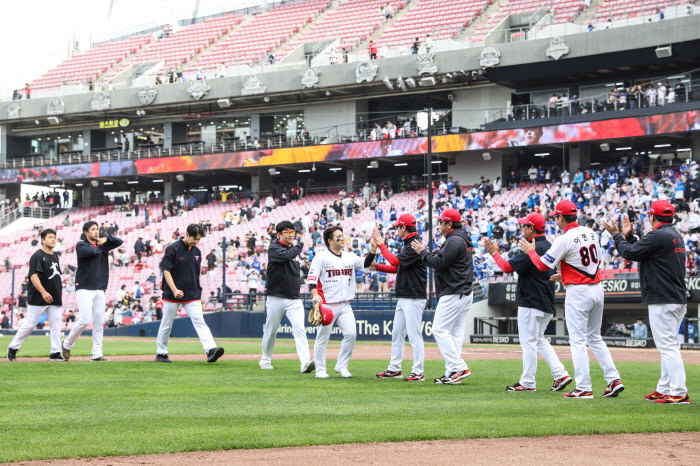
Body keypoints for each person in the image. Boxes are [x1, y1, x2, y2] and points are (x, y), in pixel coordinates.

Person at [518, 200, 623, 398]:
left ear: (560, 217)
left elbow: (542, 266)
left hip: (579, 291)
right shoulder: (591, 232)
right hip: (597, 288)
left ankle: (584, 388)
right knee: (595, 338)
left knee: (578, 340)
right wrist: (565, 274)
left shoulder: (563, 238)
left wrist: (530, 251)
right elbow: (596, 261)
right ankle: (613, 379)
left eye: (555, 217)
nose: (554, 220)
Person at [603, 201, 689, 404]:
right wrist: (630, 237)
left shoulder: (658, 235)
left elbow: (629, 253)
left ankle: (678, 392)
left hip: (663, 298)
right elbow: (641, 250)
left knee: (667, 347)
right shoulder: (674, 234)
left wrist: (617, 235)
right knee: (668, 345)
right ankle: (665, 387)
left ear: (652, 216)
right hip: (676, 297)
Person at [483, 213, 572, 392]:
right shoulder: (548, 244)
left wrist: (495, 254)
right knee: (539, 340)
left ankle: (528, 382)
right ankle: (560, 374)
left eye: (525, 226)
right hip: (547, 300)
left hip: (531, 300)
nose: (522, 229)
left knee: (529, 342)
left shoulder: (533, 246)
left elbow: (507, 267)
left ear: (531, 228)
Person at [411, 209, 473, 384]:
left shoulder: (454, 240)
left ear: (449, 224)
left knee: (438, 329)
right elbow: (446, 260)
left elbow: (438, 263)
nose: (439, 225)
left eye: (441, 222)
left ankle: (458, 367)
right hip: (463, 292)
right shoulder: (460, 238)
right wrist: (438, 252)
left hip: (454, 291)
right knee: (454, 335)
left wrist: (423, 252)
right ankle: (452, 372)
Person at [308, 225, 376, 378]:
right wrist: (314, 295)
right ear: (330, 240)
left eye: (343, 235)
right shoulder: (321, 256)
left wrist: (373, 249)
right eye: (338, 236)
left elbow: (366, 264)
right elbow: (312, 278)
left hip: (345, 304)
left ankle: (342, 366)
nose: (342, 238)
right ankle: (320, 370)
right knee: (322, 338)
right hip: (326, 304)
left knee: (351, 334)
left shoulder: (350, 256)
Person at [155, 224, 225, 363]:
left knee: (199, 320)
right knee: (166, 324)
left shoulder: (197, 251)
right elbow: (166, 271)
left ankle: (211, 350)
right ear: (187, 234)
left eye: (198, 239)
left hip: (192, 294)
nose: (196, 241)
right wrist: (174, 289)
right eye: (194, 238)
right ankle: (161, 353)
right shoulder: (172, 249)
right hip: (172, 294)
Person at [371, 214, 428, 382]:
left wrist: (381, 245)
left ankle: (418, 371)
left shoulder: (415, 244)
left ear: (403, 228)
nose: (396, 229)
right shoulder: (409, 243)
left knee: (414, 334)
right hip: (405, 295)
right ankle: (395, 368)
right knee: (396, 333)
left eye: (398, 227)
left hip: (414, 295)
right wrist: (379, 267)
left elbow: (395, 261)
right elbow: (399, 268)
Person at [61, 222, 123, 361]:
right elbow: (93, 251)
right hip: (84, 287)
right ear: (86, 232)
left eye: (97, 229)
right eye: (93, 230)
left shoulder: (103, 243)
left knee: (99, 322)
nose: (96, 232)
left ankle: (97, 354)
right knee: (84, 320)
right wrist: (101, 244)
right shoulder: (81, 245)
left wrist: (106, 239)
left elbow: (119, 241)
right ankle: (67, 344)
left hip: (100, 288)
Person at [260, 221, 314, 373]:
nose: (291, 234)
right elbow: (288, 255)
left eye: (293, 232)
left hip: (293, 297)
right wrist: (301, 244)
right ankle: (265, 359)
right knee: (271, 330)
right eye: (287, 232)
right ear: (279, 234)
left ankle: (305, 362)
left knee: (299, 329)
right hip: (276, 296)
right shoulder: (274, 247)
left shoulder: (294, 251)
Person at [7, 229, 65, 362]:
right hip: (39, 296)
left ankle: (55, 352)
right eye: (50, 237)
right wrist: (44, 292)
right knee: (30, 324)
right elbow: (33, 276)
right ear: (42, 240)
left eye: (54, 237)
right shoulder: (37, 255)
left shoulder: (55, 256)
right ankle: (13, 347)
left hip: (55, 296)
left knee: (56, 324)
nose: (53, 239)